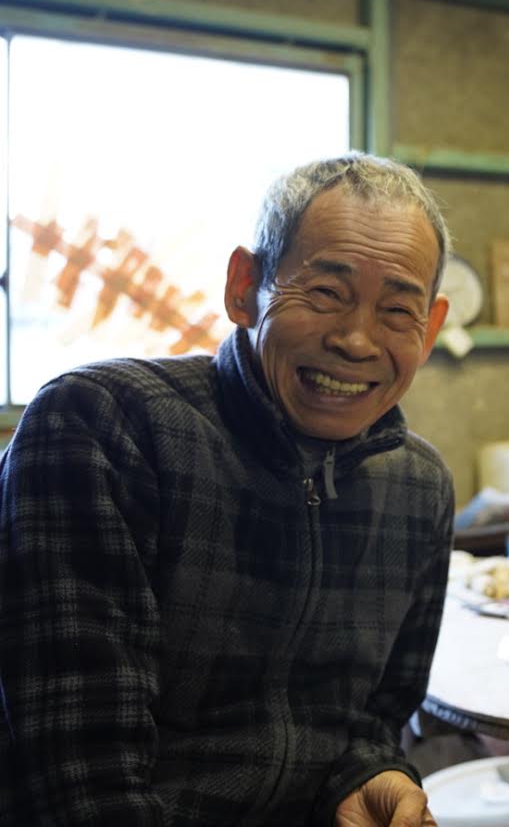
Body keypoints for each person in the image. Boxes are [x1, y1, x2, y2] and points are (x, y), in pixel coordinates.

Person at [0, 153, 454, 826]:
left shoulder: (419, 487)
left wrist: (370, 776)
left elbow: (371, 721)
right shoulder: (104, 426)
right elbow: (84, 781)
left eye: (396, 311)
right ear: (245, 288)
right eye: (325, 293)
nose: (357, 341)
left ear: (430, 327)